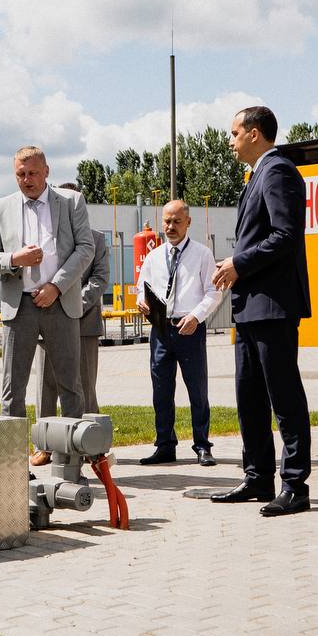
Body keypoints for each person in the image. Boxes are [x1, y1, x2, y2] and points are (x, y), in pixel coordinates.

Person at [211, 105, 312, 516]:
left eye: (234, 133)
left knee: (283, 396)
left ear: (254, 134)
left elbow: (286, 235)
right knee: (249, 396)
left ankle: (295, 485)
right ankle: (257, 477)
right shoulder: (258, 176)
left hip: (272, 305)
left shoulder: (278, 171)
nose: (230, 141)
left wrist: (240, 263)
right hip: (250, 307)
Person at [0, 146, 94, 418]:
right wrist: (14, 259)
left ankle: (70, 455)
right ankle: (12, 459)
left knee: (70, 386)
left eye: (33, 173)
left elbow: (85, 248)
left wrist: (56, 286)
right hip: (19, 307)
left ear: (46, 172)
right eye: (20, 174)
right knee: (12, 389)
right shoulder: (1, 207)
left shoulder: (71, 202)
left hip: (61, 304)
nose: (27, 180)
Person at [136, 200, 222, 467]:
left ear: (188, 222)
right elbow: (142, 286)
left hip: (189, 329)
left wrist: (196, 316)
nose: (170, 227)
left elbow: (214, 291)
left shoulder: (202, 254)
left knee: (197, 389)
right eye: (166, 221)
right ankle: (164, 445)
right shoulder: (153, 256)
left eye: (176, 221)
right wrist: (142, 300)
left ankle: (202, 446)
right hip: (161, 329)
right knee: (161, 391)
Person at [31, 182, 110, 465]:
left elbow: (99, 279)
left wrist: (71, 304)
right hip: (45, 320)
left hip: (83, 324)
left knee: (83, 387)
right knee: (46, 386)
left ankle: (91, 445)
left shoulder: (97, 239)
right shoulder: (41, 238)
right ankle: (45, 445)